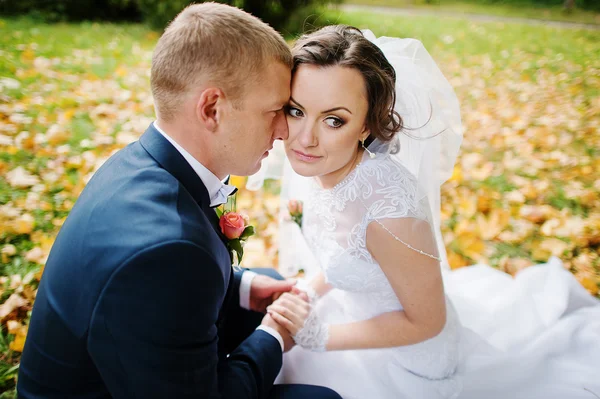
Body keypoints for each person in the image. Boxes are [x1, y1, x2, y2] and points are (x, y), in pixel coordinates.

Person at [17, 4, 342, 399]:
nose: (283, 129)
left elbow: (166, 277)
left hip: (135, 344)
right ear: (211, 109)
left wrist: (243, 286)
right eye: (274, 110)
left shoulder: (143, 160)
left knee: (269, 282)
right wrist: (274, 335)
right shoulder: (167, 250)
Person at [259, 25, 600, 399]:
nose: (305, 138)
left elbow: (427, 321)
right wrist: (309, 288)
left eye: (334, 120)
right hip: (359, 320)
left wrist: (319, 335)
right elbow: (347, 252)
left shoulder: (388, 210)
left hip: (408, 361)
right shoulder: (325, 165)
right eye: (296, 110)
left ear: (366, 125)